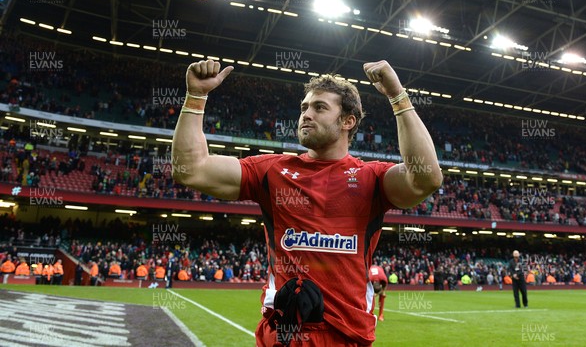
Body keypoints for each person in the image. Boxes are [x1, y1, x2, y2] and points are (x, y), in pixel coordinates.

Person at [172, 59, 442, 346]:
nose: (306, 115)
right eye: (304, 108)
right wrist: (196, 97)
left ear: (348, 121)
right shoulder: (271, 171)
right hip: (282, 335)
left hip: (344, 337)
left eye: (319, 107)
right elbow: (190, 169)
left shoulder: (371, 178)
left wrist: (398, 97)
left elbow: (426, 179)